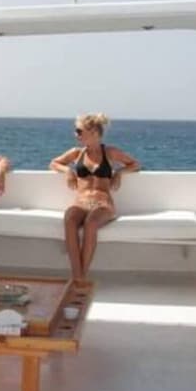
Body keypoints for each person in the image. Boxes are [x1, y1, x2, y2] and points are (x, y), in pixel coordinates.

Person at [49, 113, 141, 282]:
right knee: (69, 218)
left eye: (79, 131)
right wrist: (68, 170)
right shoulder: (76, 153)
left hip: (103, 204)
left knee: (91, 223)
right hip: (81, 203)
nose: (75, 134)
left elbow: (135, 164)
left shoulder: (110, 152)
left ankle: (79, 279)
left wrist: (119, 173)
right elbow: (54, 163)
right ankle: (78, 277)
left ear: (93, 132)